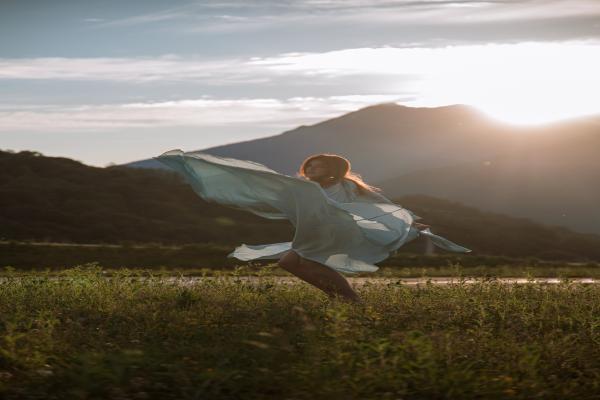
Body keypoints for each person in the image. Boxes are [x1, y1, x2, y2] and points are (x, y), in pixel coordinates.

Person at [154, 150, 471, 304]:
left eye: (318, 166)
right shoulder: (302, 187)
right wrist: (203, 165)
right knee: (289, 262)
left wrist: (411, 222)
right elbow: (260, 180)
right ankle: (345, 299)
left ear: (333, 169)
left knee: (290, 261)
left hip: (337, 233)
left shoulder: (351, 188)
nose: (311, 169)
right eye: (310, 166)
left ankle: (348, 300)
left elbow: (383, 206)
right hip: (316, 233)